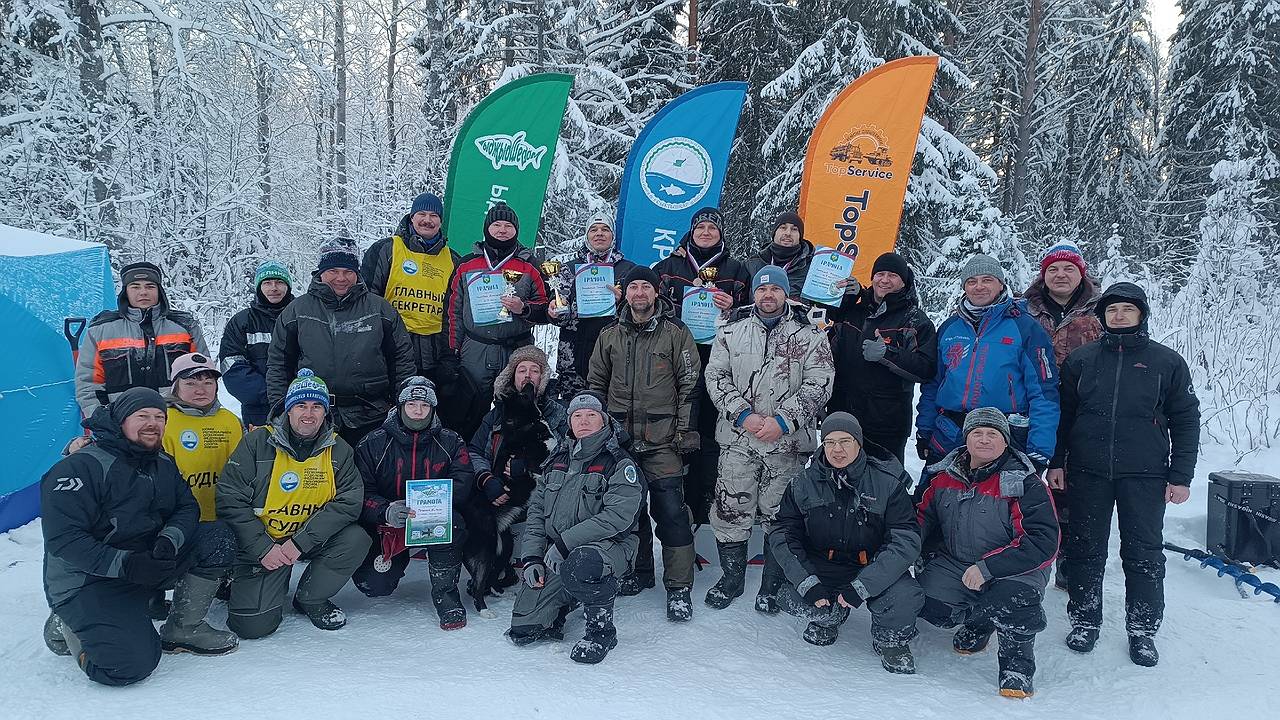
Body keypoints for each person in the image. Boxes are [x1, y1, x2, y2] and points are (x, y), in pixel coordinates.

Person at [41, 388, 238, 686]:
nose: (153, 423)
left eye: (159, 416)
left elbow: (187, 507)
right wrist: (127, 564)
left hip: (146, 562)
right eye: (142, 415)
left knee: (216, 537)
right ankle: (71, 626)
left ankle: (183, 629)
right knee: (129, 666)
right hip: (90, 580)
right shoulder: (80, 466)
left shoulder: (162, 461)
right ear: (120, 419)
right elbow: (65, 541)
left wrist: (167, 541)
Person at [1051, 282, 1200, 666]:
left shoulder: (1165, 362)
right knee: (1085, 549)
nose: (1119, 315)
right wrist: (1057, 462)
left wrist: (1180, 476)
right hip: (1088, 470)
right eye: (1112, 310)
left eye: (1127, 310)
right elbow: (1064, 416)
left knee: (1144, 553)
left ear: (1141, 315)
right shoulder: (1082, 360)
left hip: (1146, 473)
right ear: (1102, 317)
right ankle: (1084, 620)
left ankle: (1143, 629)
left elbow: (1186, 420)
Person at [702, 265, 834, 610]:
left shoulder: (810, 334)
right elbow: (716, 376)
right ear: (753, 294)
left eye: (775, 289)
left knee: (780, 514)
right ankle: (731, 579)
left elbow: (821, 382)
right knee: (731, 508)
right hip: (738, 439)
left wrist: (784, 421)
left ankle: (772, 584)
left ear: (785, 293)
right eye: (762, 290)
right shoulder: (732, 331)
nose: (768, 295)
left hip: (787, 444)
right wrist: (743, 415)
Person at [917, 408, 1059, 699]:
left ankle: (1016, 666)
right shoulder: (943, 477)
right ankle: (980, 622)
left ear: (1005, 441)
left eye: (992, 434)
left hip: (1018, 567)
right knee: (927, 602)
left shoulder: (1025, 483)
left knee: (1012, 600)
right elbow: (920, 521)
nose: (984, 439)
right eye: (977, 433)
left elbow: (1043, 540)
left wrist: (988, 567)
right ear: (966, 439)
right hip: (958, 562)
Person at [217, 369, 371, 638]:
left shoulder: (340, 449)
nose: (308, 414)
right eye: (301, 405)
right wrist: (263, 547)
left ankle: (311, 597)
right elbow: (231, 499)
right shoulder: (256, 443)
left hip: (307, 539)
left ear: (326, 413)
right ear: (288, 409)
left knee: (356, 538)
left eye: (316, 406)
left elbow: (349, 501)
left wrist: (299, 543)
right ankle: (247, 580)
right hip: (264, 543)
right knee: (252, 626)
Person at [768, 413, 923, 673]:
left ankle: (891, 639)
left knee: (904, 596)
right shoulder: (802, 484)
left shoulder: (887, 483)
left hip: (872, 564)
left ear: (859, 443)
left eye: (845, 441)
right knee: (792, 596)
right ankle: (829, 616)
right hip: (824, 563)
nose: (837, 449)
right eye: (829, 442)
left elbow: (905, 541)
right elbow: (783, 533)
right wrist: (808, 583)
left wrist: (863, 586)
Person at [588, 266, 701, 621]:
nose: (639, 293)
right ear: (624, 292)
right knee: (627, 512)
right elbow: (595, 385)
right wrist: (599, 436)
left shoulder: (676, 333)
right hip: (620, 442)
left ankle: (680, 588)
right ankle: (637, 573)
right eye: (633, 287)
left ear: (656, 293)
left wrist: (684, 432)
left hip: (664, 441)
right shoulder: (608, 334)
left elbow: (691, 385)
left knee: (671, 513)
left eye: (645, 287)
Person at [508, 391, 644, 664]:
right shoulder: (557, 460)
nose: (584, 421)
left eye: (591, 415)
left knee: (581, 565)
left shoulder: (619, 462)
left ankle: (601, 631)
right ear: (569, 422)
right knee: (524, 626)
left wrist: (563, 544)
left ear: (603, 420)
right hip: (560, 552)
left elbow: (618, 517)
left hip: (609, 548)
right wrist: (532, 557)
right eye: (577, 416)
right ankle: (570, 595)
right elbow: (536, 512)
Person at [915, 253, 1060, 482]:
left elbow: (1044, 393)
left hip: (1003, 435)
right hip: (950, 432)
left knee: (997, 511)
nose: (979, 287)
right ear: (964, 287)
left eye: (987, 280)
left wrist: (1039, 449)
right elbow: (933, 385)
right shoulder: (950, 328)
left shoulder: (1025, 328)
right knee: (931, 502)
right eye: (972, 281)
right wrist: (924, 429)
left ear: (1001, 284)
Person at [351, 376, 475, 630]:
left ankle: (446, 596)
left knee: (454, 525)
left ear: (433, 408)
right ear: (400, 406)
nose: (418, 411)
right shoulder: (372, 443)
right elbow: (359, 492)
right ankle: (394, 562)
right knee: (375, 585)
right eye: (412, 404)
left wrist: (435, 505)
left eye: (425, 405)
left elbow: (463, 482)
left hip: (433, 521)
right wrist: (385, 511)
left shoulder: (452, 441)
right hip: (389, 524)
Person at [652, 206, 751, 524]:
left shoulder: (736, 269)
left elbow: (752, 313)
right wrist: (677, 304)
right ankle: (675, 497)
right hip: (676, 354)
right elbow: (649, 304)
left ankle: (705, 495)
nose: (706, 232)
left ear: (721, 234)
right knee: (679, 422)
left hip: (720, 357)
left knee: (711, 427)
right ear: (691, 232)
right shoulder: (669, 265)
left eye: (713, 228)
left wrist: (733, 306)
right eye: (700, 227)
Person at [266, 241, 415, 448]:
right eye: (333, 271)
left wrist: (402, 406)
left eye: (348, 271)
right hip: (315, 416)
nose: (341, 278)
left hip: (372, 414)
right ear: (321, 273)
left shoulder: (381, 309)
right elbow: (278, 365)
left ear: (357, 273)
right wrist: (282, 410)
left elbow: (402, 360)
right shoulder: (296, 311)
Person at [1022, 240, 1101, 589]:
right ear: (1043, 275)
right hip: (1031, 408)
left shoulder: (1100, 312)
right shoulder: (1023, 310)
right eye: (1053, 268)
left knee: (1073, 487)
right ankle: (1028, 554)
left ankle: (1071, 560)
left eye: (1068, 268)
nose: (1060, 274)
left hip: (1083, 412)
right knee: (1027, 484)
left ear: (1080, 273)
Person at [445, 202, 550, 437]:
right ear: (487, 228)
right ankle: (466, 456)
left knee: (516, 407)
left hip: (515, 347)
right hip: (476, 347)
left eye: (508, 225)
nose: (502, 230)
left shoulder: (529, 265)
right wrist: (452, 350)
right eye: (496, 224)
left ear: (516, 230)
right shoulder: (467, 264)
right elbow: (454, 311)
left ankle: (509, 461)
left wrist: (524, 308)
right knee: (469, 407)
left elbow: (546, 307)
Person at [827, 252, 937, 463]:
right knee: (836, 482)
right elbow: (827, 356)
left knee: (883, 487)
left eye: (893, 275)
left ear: (903, 282)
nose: (885, 280)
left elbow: (926, 368)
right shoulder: (853, 313)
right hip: (843, 415)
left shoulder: (914, 320)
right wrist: (845, 300)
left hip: (886, 423)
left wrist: (888, 354)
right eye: (880, 274)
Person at [75, 261, 208, 417]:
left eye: (150, 286)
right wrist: (102, 419)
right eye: (135, 287)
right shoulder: (101, 329)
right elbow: (88, 385)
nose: (143, 292)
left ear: (160, 291)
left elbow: (204, 377)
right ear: (125, 291)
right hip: (121, 422)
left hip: (178, 420)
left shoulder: (184, 326)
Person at [360, 192, 462, 387]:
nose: (427, 220)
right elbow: (367, 301)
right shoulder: (386, 249)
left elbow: (455, 313)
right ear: (412, 217)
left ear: (441, 221)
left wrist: (449, 356)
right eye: (421, 214)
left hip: (434, 354)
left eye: (434, 216)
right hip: (391, 349)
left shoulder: (453, 259)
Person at [546, 214, 636, 397]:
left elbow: (642, 315)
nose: (599, 234)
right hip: (573, 356)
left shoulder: (629, 270)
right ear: (587, 236)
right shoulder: (568, 269)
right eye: (593, 230)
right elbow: (559, 316)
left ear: (613, 236)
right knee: (576, 415)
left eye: (605, 229)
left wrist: (624, 303)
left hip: (616, 356)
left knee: (613, 414)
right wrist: (554, 312)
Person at [470, 345, 569, 511]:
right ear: (512, 377)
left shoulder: (559, 413)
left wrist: (531, 467)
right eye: (522, 370)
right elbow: (475, 452)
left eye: (535, 371)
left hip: (552, 499)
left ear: (543, 378)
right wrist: (487, 480)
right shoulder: (496, 416)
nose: (528, 375)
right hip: (503, 497)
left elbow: (572, 456)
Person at [162, 353, 245, 523]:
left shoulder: (231, 420)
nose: (200, 390)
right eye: (190, 383)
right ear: (175, 386)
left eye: (208, 383)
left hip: (227, 517)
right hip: (178, 522)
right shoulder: (162, 420)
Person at [220, 260, 295, 427]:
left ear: (288, 286)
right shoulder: (241, 322)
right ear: (259, 287)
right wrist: (271, 394)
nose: (273, 288)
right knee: (262, 452)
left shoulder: (303, 317)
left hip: (302, 407)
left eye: (279, 282)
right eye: (267, 283)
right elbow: (231, 366)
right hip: (258, 410)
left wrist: (299, 394)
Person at [745, 211, 815, 298]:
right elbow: (741, 303)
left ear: (800, 236)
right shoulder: (752, 265)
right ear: (774, 233)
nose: (788, 233)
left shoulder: (813, 267)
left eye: (794, 229)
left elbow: (826, 306)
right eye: (783, 227)